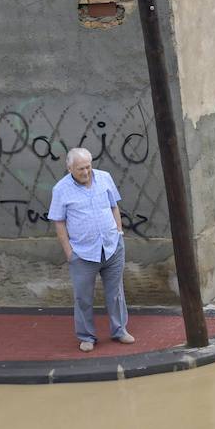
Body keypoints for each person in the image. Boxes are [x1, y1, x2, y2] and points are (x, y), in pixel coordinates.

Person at [48, 148, 134, 351]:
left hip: (112, 246)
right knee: (83, 297)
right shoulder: (60, 189)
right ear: (69, 168)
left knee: (116, 293)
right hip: (83, 253)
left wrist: (119, 232)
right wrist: (69, 252)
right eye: (80, 169)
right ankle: (87, 336)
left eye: (88, 166)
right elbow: (59, 222)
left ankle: (120, 330)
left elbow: (114, 206)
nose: (86, 172)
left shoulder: (105, 178)